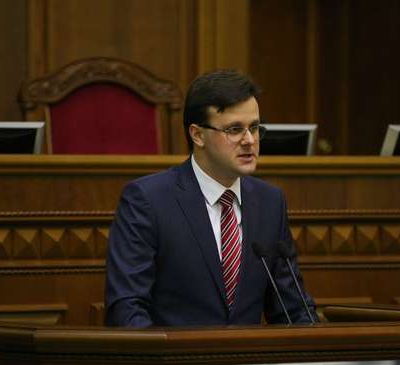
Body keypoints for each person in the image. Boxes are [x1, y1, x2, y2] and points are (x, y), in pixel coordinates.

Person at [104, 69, 318, 327]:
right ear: (197, 135)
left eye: (254, 128)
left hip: (248, 354)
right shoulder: (148, 200)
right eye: (234, 129)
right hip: (176, 353)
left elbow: (292, 308)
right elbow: (126, 309)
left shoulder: (270, 202)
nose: (249, 141)